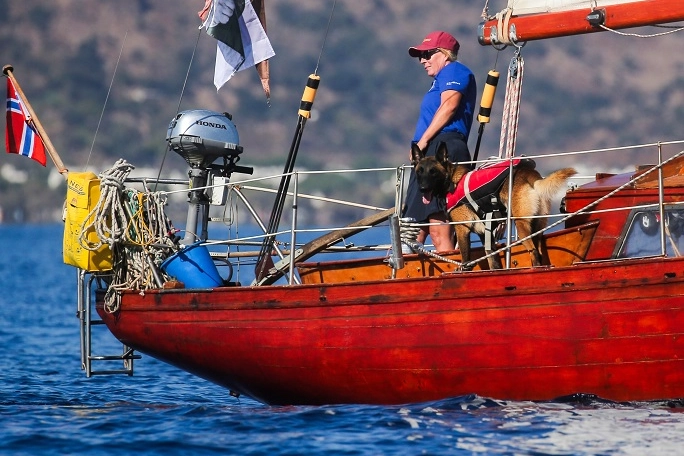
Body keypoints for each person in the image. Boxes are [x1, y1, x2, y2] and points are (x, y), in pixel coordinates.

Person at [402, 30, 477, 252]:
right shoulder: (438, 81)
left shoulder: (455, 70)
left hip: (443, 149)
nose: (422, 61)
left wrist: (423, 141)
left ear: (444, 54)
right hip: (427, 156)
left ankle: (452, 275)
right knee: (413, 226)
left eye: (427, 54)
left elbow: (450, 106)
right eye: (420, 56)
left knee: (437, 226)